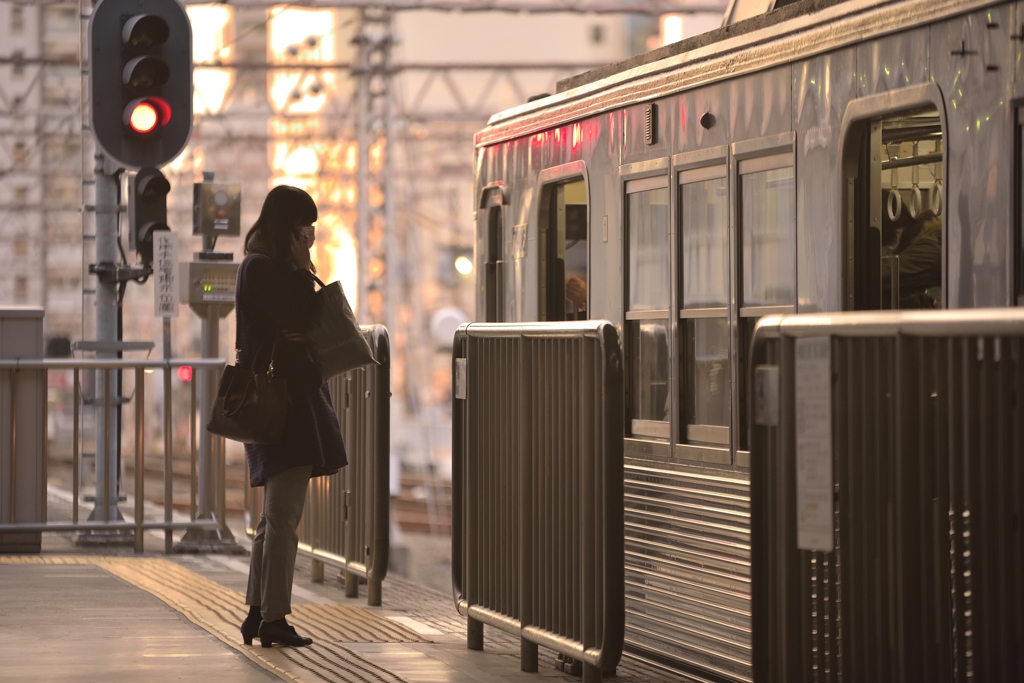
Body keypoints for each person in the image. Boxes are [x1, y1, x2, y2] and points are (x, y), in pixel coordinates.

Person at [236, 185, 347, 648]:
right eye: (307, 234)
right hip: (284, 407)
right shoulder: (268, 270)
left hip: (274, 403)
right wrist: (303, 270)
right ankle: (275, 621)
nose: (311, 243)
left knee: (272, 519)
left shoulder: (258, 266)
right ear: (290, 231)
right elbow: (303, 313)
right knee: (283, 518)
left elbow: (297, 322)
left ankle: (258, 611)